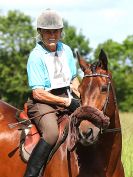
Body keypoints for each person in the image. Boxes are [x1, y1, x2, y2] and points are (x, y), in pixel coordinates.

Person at [24, 8, 80, 177]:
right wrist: (67, 102)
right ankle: (31, 174)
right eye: (47, 31)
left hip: (66, 96)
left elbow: (73, 79)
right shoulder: (36, 56)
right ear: (40, 32)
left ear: (61, 32)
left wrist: (81, 96)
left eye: (55, 31)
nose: (52, 35)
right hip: (43, 101)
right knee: (51, 133)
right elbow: (38, 93)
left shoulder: (67, 50)